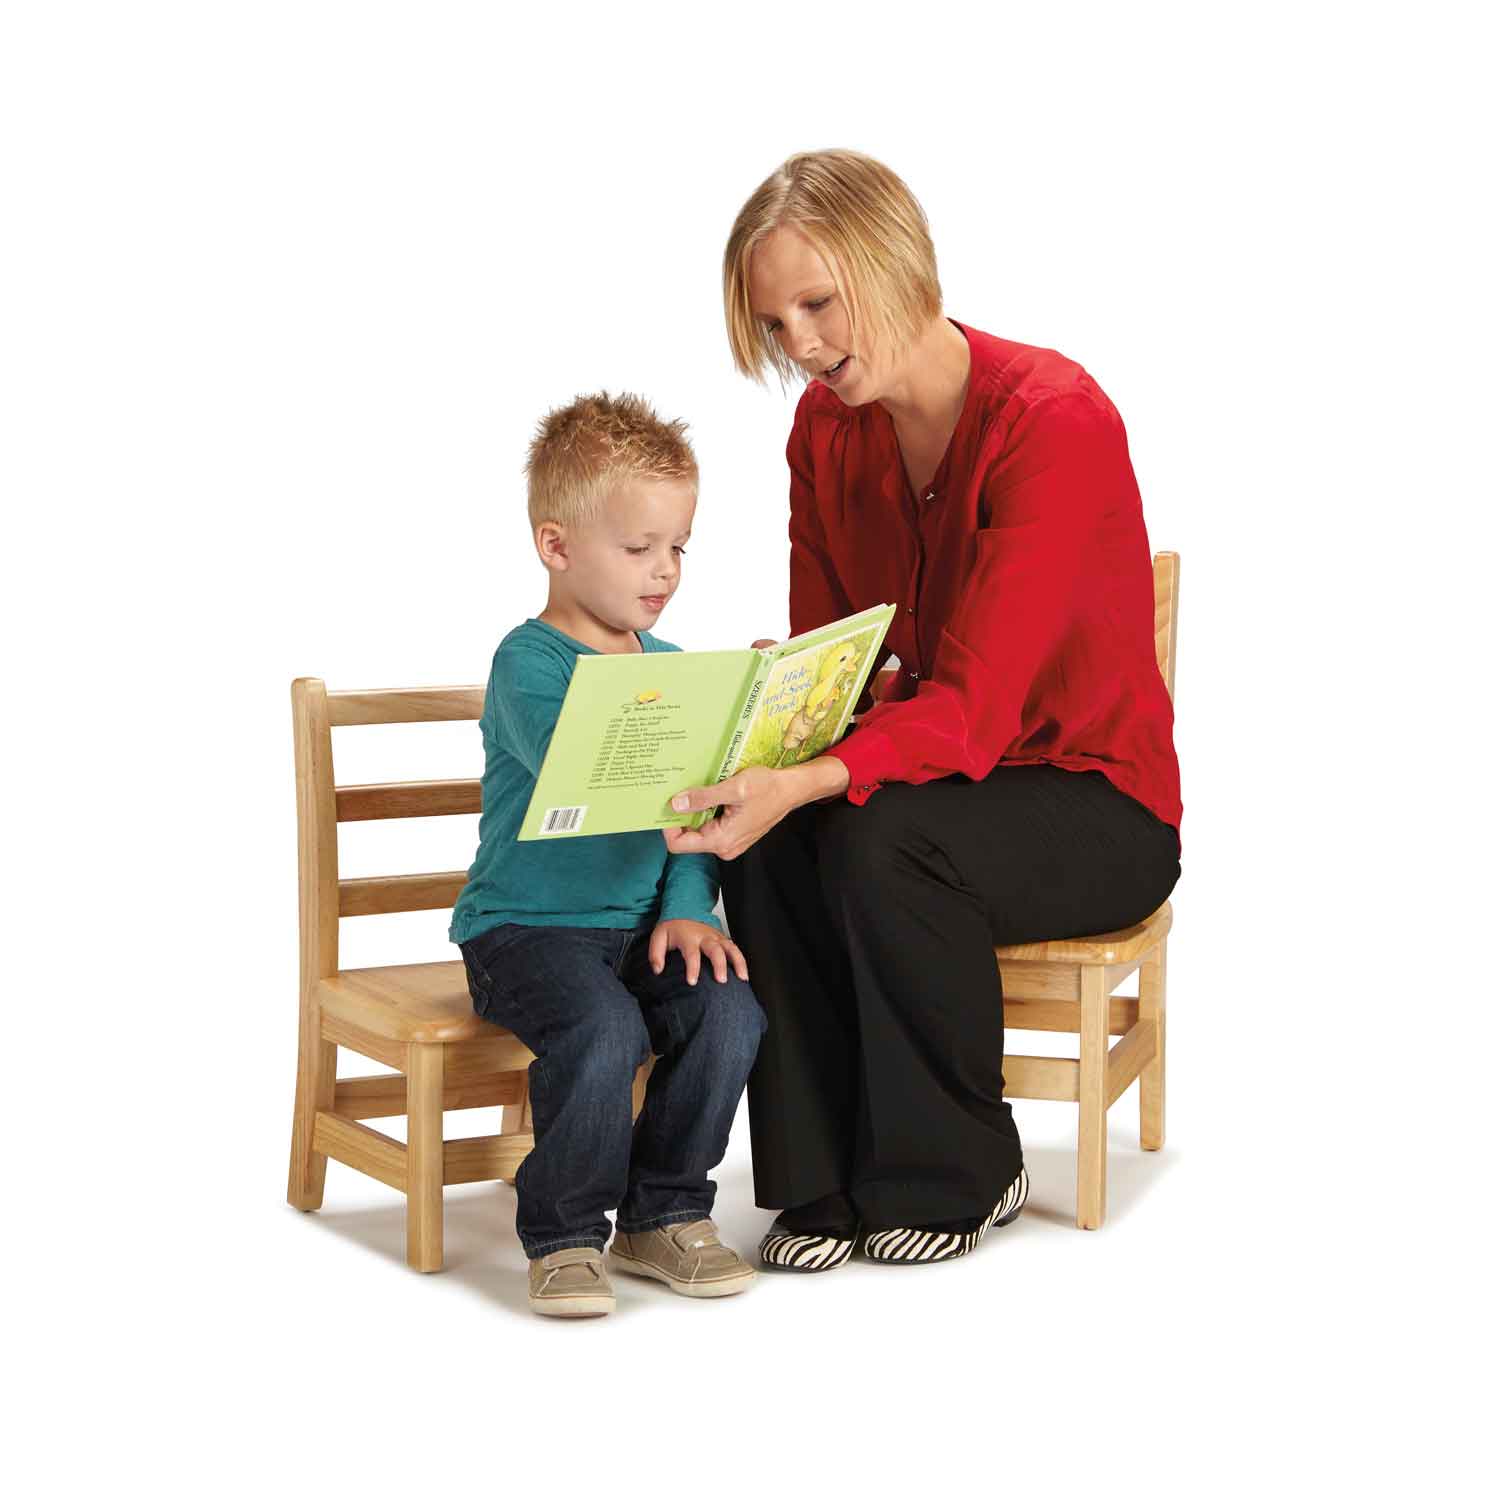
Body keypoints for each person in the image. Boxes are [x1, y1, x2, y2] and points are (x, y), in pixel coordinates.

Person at [663, 149, 1182, 1272]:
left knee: (880, 837)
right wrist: (775, 711)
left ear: (892, 262)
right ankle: (819, 1180)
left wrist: (814, 773)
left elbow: (978, 710)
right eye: (776, 323)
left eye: (817, 304)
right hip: (943, 784)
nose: (801, 345)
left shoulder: (1053, 418)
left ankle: (965, 1165)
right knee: (771, 833)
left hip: (1093, 800)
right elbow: (836, 662)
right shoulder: (823, 431)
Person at [451, 392, 766, 1317]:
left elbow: (692, 827)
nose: (665, 570)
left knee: (730, 1013)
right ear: (556, 546)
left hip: (639, 929)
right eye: (639, 548)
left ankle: (664, 1212)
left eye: (679, 547)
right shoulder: (530, 662)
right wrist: (709, 729)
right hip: (525, 932)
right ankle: (563, 1233)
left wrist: (689, 903)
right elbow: (584, 768)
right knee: (605, 1030)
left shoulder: (669, 662)